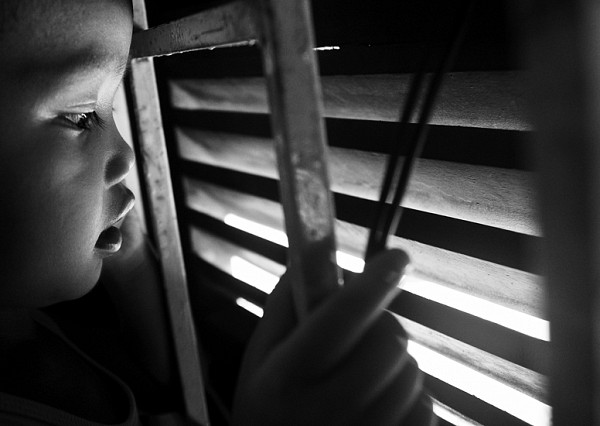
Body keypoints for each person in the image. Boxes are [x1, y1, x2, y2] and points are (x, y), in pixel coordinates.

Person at [0, 0, 434, 424]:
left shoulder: (29, 327)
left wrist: (131, 264)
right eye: (81, 117)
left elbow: (163, 385)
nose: (126, 155)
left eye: (109, 111)